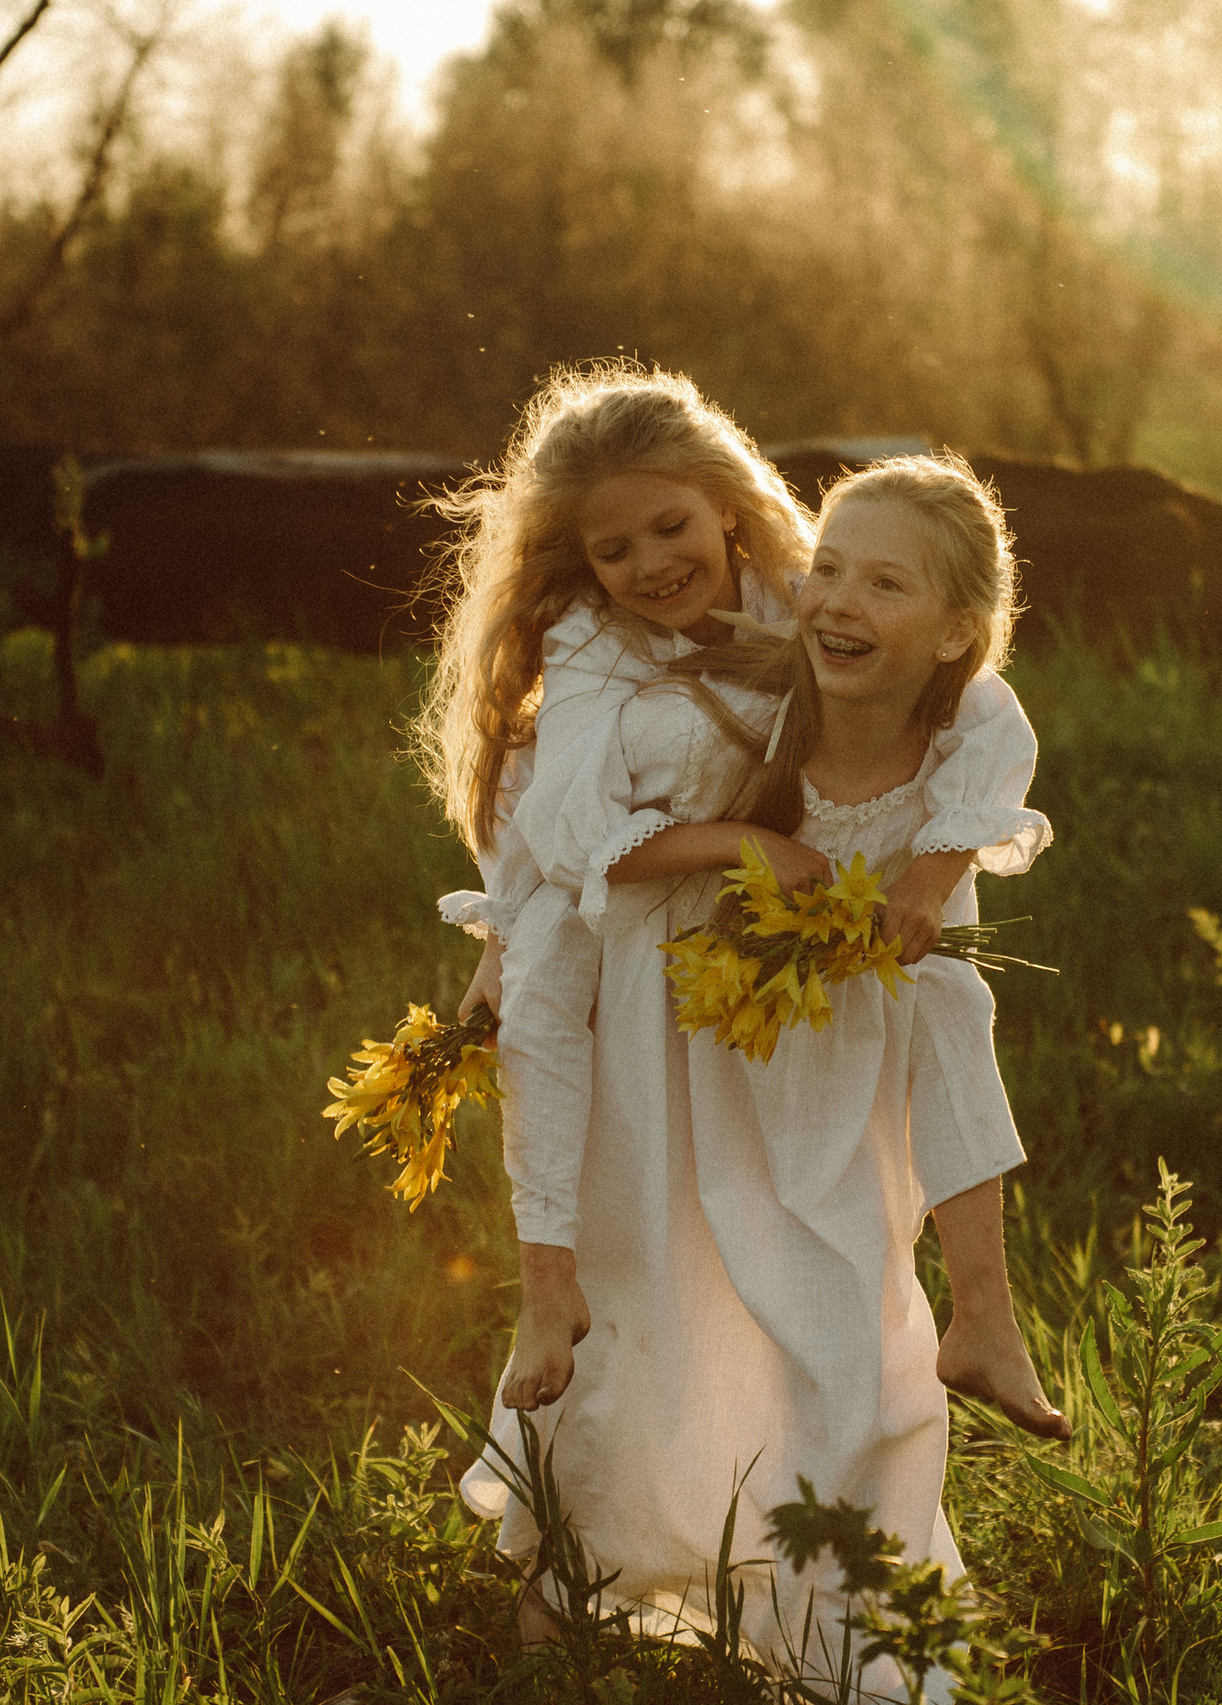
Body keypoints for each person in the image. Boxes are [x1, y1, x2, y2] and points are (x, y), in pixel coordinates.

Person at [456, 454, 1051, 1693]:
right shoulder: (706, 671)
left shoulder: (892, 674)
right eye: (829, 567)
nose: (834, 595)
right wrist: (512, 936)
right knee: (654, 1317)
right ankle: (583, 1598)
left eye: (878, 581)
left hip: (829, 1060)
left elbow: (981, 745)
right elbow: (569, 838)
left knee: (842, 1325)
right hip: (676, 1041)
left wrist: (930, 881)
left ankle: (854, 1626)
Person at [414, 366, 1064, 1441]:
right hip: (624, 899)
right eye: (610, 549)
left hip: (783, 931)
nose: (648, 565)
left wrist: (931, 872)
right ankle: (546, 1284)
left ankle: (979, 1313)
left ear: (725, 500)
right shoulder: (589, 639)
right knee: (540, 993)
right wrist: (741, 843)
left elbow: (970, 698)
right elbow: (564, 829)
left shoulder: (807, 586)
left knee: (947, 1001)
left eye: (669, 526)